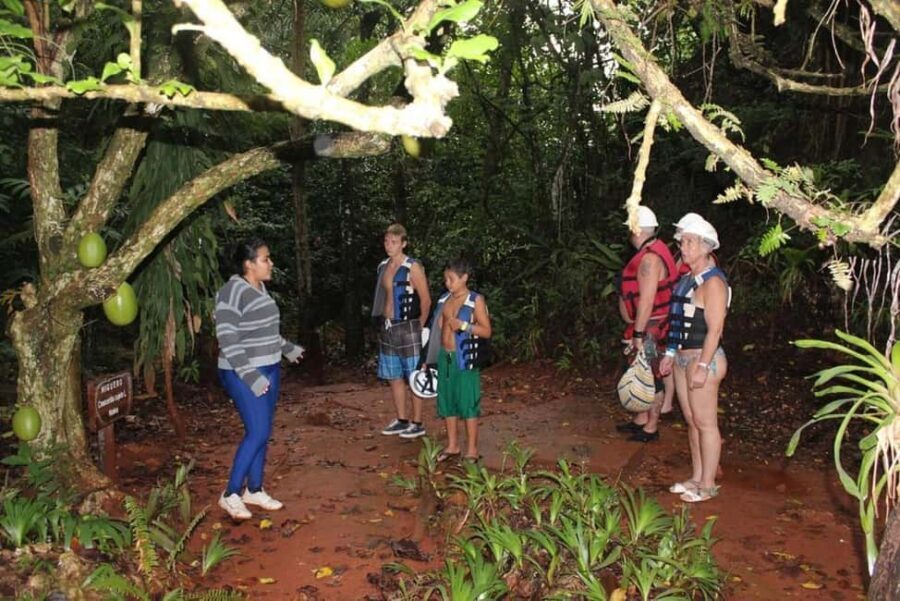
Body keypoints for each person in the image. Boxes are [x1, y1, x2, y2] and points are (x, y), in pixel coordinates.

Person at [215, 239, 304, 520]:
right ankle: (230, 493)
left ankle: (253, 489)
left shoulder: (261, 289)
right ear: (248, 264)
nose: (271, 263)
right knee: (257, 432)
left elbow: (262, 332)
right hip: (242, 372)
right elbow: (227, 339)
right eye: (265, 259)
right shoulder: (232, 291)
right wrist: (250, 375)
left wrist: (286, 348)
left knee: (262, 432)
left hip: (269, 368)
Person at [659, 216, 730, 503]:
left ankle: (708, 484)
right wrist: (670, 354)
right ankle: (697, 477)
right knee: (691, 421)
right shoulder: (688, 279)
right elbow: (679, 322)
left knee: (706, 423)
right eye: (682, 241)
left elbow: (716, 329)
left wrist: (702, 366)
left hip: (705, 360)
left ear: (705, 246)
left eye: (688, 242)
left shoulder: (713, 282)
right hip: (683, 358)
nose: (682, 247)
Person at [615, 206, 677, 442]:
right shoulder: (656, 251)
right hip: (653, 325)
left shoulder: (650, 259)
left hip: (651, 328)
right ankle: (641, 419)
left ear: (637, 229)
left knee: (651, 375)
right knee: (640, 370)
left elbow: (647, 300)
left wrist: (639, 334)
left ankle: (651, 426)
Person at [423, 258, 492, 462]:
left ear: (464, 278)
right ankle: (452, 446)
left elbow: (487, 331)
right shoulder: (444, 300)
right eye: (445, 279)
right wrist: (428, 357)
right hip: (446, 358)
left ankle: (471, 449)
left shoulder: (475, 300)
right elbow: (437, 331)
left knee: (468, 402)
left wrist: (464, 326)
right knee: (447, 401)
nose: (448, 283)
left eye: (451, 279)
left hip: (465, 359)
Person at [372, 223, 432, 439]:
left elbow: (426, 299)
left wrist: (422, 326)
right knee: (394, 375)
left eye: (394, 242)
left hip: (409, 327)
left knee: (413, 374)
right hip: (388, 326)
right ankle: (402, 419)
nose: (389, 245)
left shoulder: (412, 266)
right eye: (387, 241)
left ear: (403, 243)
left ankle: (417, 423)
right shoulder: (383, 266)